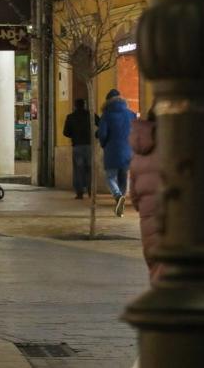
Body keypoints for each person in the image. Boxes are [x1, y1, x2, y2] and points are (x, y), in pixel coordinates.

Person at [129, 110, 162, 282]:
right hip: (178, 227)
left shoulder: (139, 154)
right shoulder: (181, 147)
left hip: (149, 224)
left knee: (158, 274)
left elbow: (134, 199)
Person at [97, 89, 136, 217]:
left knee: (110, 177)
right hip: (128, 151)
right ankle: (122, 199)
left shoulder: (106, 115)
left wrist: (103, 144)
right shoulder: (131, 114)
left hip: (112, 151)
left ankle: (118, 196)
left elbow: (102, 134)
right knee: (123, 177)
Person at [62, 98, 96, 199]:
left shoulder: (70, 117)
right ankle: (91, 191)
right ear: (84, 105)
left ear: (75, 106)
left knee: (78, 170)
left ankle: (79, 192)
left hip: (77, 146)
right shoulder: (90, 115)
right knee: (89, 169)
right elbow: (100, 123)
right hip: (89, 146)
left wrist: (74, 135)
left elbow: (65, 132)